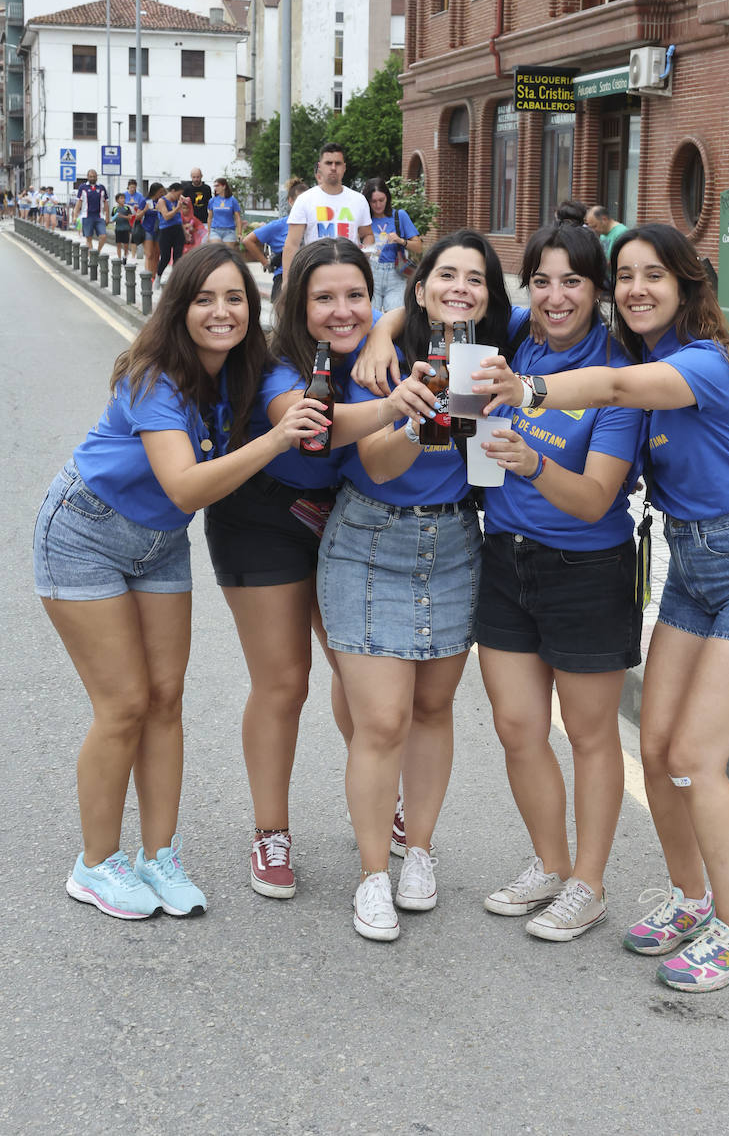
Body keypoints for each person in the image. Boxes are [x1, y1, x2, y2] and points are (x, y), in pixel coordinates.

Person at [479, 222, 729, 991]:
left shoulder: (707, 363)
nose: (635, 289)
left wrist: (527, 392)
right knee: (658, 751)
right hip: (693, 568)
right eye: (625, 274)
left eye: (652, 276)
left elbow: (616, 391)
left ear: (687, 285)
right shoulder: (644, 352)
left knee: (697, 756)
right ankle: (692, 897)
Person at [33, 245, 318, 921]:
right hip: (85, 533)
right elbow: (187, 484)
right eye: (204, 299)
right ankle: (97, 865)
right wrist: (275, 442)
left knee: (166, 699)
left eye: (235, 299)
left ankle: (158, 857)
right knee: (125, 705)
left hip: (160, 543)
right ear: (178, 307)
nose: (221, 312)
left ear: (253, 310)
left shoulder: (247, 371)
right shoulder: (154, 377)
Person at [204, 239, 432, 900]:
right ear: (297, 305)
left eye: (355, 295)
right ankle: (270, 833)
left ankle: (381, 795)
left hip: (342, 516)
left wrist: (388, 328)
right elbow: (315, 428)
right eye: (324, 298)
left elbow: (428, 311)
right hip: (262, 518)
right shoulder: (276, 363)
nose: (341, 310)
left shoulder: (379, 350)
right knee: (283, 683)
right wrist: (399, 404)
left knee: (357, 670)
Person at [318, 230, 522, 941]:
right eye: (446, 275)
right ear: (422, 284)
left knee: (434, 710)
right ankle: (373, 874)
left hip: (456, 539)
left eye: (475, 278)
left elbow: (569, 316)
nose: (459, 288)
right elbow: (373, 464)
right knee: (381, 722)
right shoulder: (380, 363)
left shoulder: (499, 354)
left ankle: (420, 853)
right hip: (370, 539)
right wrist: (416, 404)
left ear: (491, 295)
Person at [477, 224, 643, 941]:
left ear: (597, 290)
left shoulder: (620, 376)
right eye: (541, 281)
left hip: (587, 569)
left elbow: (598, 498)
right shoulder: (518, 343)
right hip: (504, 561)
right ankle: (549, 863)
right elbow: (442, 297)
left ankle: (589, 882)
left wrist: (531, 463)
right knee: (517, 727)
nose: (554, 297)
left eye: (572, 282)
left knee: (588, 734)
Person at [280, 143, 371, 284]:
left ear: (344, 167)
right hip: (315, 274)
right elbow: (292, 244)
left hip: (350, 275)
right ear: (320, 167)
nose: (333, 168)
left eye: (338, 163)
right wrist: (286, 283)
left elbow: (367, 235)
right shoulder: (305, 200)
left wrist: (363, 259)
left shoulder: (358, 200)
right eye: (329, 163)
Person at [361, 176, 422, 313]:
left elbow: (418, 247)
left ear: (387, 198)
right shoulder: (364, 219)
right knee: (370, 317)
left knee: (395, 318)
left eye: (381, 200)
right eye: (373, 201)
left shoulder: (399, 216)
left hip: (396, 274)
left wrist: (401, 240)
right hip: (371, 272)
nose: (378, 205)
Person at [241, 178, 305, 304]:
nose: (305, 205)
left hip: (307, 276)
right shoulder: (280, 225)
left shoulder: (314, 224)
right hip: (283, 278)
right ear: (291, 201)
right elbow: (248, 240)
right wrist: (266, 263)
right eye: (300, 201)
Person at [156, 182, 185, 287]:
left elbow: (179, 219)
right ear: (172, 191)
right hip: (166, 230)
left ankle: (174, 280)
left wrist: (185, 232)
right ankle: (158, 277)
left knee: (178, 256)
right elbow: (166, 216)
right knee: (165, 257)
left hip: (177, 230)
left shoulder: (177, 201)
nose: (179, 196)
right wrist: (177, 208)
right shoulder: (162, 201)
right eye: (178, 194)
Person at [72, 169, 110, 251]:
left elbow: (106, 203)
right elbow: (79, 202)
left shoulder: (101, 188)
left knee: (103, 236)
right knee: (89, 238)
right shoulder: (83, 187)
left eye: (94, 177)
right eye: (90, 177)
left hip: (99, 216)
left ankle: (97, 252)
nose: (92, 178)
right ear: (87, 177)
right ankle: (91, 256)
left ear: (97, 177)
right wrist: (75, 216)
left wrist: (107, 216)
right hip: (87, 216)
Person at [138, 183, 165, 276]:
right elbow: (137, 216)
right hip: (147, 229)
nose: (162, 193)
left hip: (159, 230)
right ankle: (147, 275)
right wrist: (145, 210)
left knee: (157, 254)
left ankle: (154, 275)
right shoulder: (145, 201)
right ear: (155, 191)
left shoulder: (162, 202)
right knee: (149, 254)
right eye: (160, 192)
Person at [207, 177, 243, 245]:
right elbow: (210, 218)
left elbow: (237, 217)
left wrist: (239, 233)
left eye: (217, 186)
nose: (215, 188)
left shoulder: (233, 200)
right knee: (217, 251)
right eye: (215, 186)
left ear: (224, 186)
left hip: (229, 231)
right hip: (215, 230)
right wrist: (209, 233)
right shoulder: (212, 201)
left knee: (227, 253)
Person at [183, 168, 212, 233]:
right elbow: (183, 205)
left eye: (198, 177)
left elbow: (210, 204)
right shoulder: (187, 189)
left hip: (204, 219)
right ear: (191, 177)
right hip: (191, 220)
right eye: (194, 177)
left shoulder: (207, 188)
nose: (196, 179)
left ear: (201, 176)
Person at [111, 192, 133, 260]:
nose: (123, 200)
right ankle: (119, 259)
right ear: (117, 200)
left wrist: (122, 216)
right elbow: (113, 219)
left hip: (126, 229)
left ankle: (125, 257)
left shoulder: (127, 208)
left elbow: (130, 217)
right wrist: (112, 220)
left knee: (126, 245)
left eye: (123, 198)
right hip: (118, 229)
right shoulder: (114, 208)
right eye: (121, 198)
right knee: (118, 244)